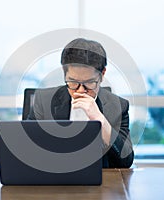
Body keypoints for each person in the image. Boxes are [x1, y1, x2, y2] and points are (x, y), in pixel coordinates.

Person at [28, 38, 134, 168]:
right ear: (64, 73)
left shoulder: (118, 106)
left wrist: (100, 119)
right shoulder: (43, 100)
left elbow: (126, 161)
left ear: (102, 75)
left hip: (100, 183)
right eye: (72, 82)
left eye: (90, 82)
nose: (81, 90)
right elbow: (27, 149)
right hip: (53, 178)